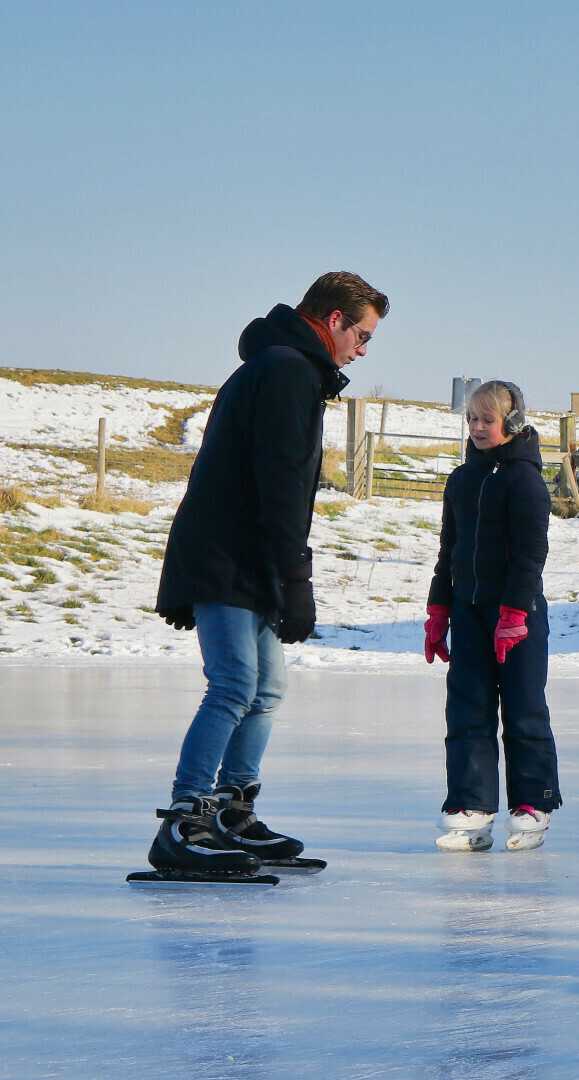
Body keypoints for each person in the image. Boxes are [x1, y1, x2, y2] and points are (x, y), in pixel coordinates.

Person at [147, 272, 388, 882]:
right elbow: (280, 482)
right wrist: (295, 580)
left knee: (266, 686)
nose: (363, 350)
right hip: (228, 555)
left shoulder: (284, 366)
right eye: (362, 335)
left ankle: (231, 812)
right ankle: (184, 822)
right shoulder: (287, 371)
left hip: (243, 556)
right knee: (234, 684)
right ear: (333, 320)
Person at [423, 380, 560, 852]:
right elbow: (449, 550)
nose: (477, 427)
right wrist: (439, 609)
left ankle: (533, 804)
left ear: (512, 422)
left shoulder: (525, 480)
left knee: (523, 709)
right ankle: (471, 807)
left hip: (516, 615)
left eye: (488, 419)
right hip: (469, 611)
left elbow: (531, 553)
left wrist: (515, 612)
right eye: (472, 418)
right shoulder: (461, 480)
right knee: (467, 709)